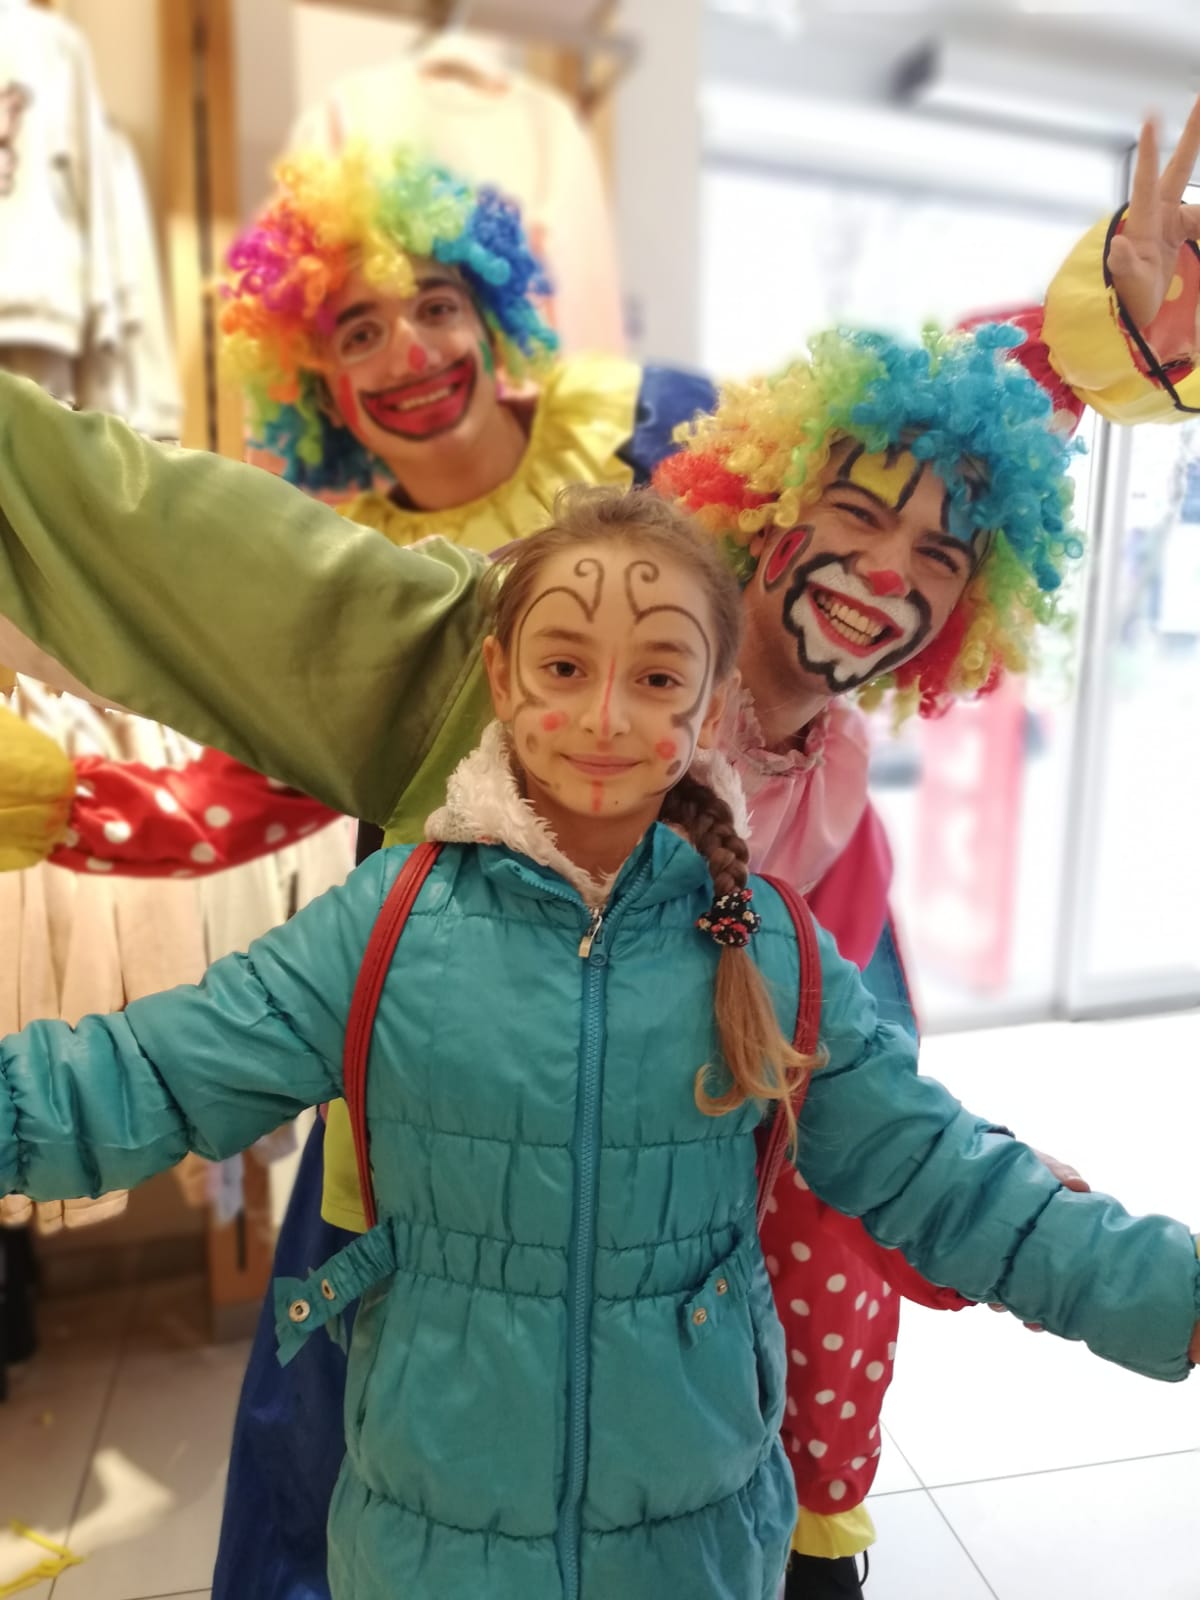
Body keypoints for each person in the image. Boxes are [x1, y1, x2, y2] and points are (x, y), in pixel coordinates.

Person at [1, 109, 1199, 1597]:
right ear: (502, 677)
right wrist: (77, 799)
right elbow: (142, 1070)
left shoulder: (786, 909)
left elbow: (925, 1165)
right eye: (566, 667)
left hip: (685, 1463)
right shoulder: (395, 905)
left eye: (658, 679)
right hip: (448, 1372)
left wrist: (1090, 340)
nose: (609, 717)